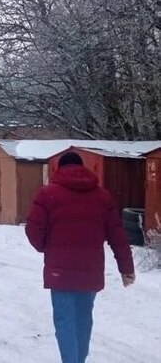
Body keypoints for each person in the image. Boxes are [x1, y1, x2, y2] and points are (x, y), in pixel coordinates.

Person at [25, 151, 135, 363]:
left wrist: (46, 247)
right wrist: (126, 268)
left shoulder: (48, 194)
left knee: (65, 321)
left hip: (59, 271)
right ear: (83, 168)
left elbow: (33, 229)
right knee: (83, 321)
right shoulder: (102, 197)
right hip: (90, 272)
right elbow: (117, 234)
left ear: (60, 169)